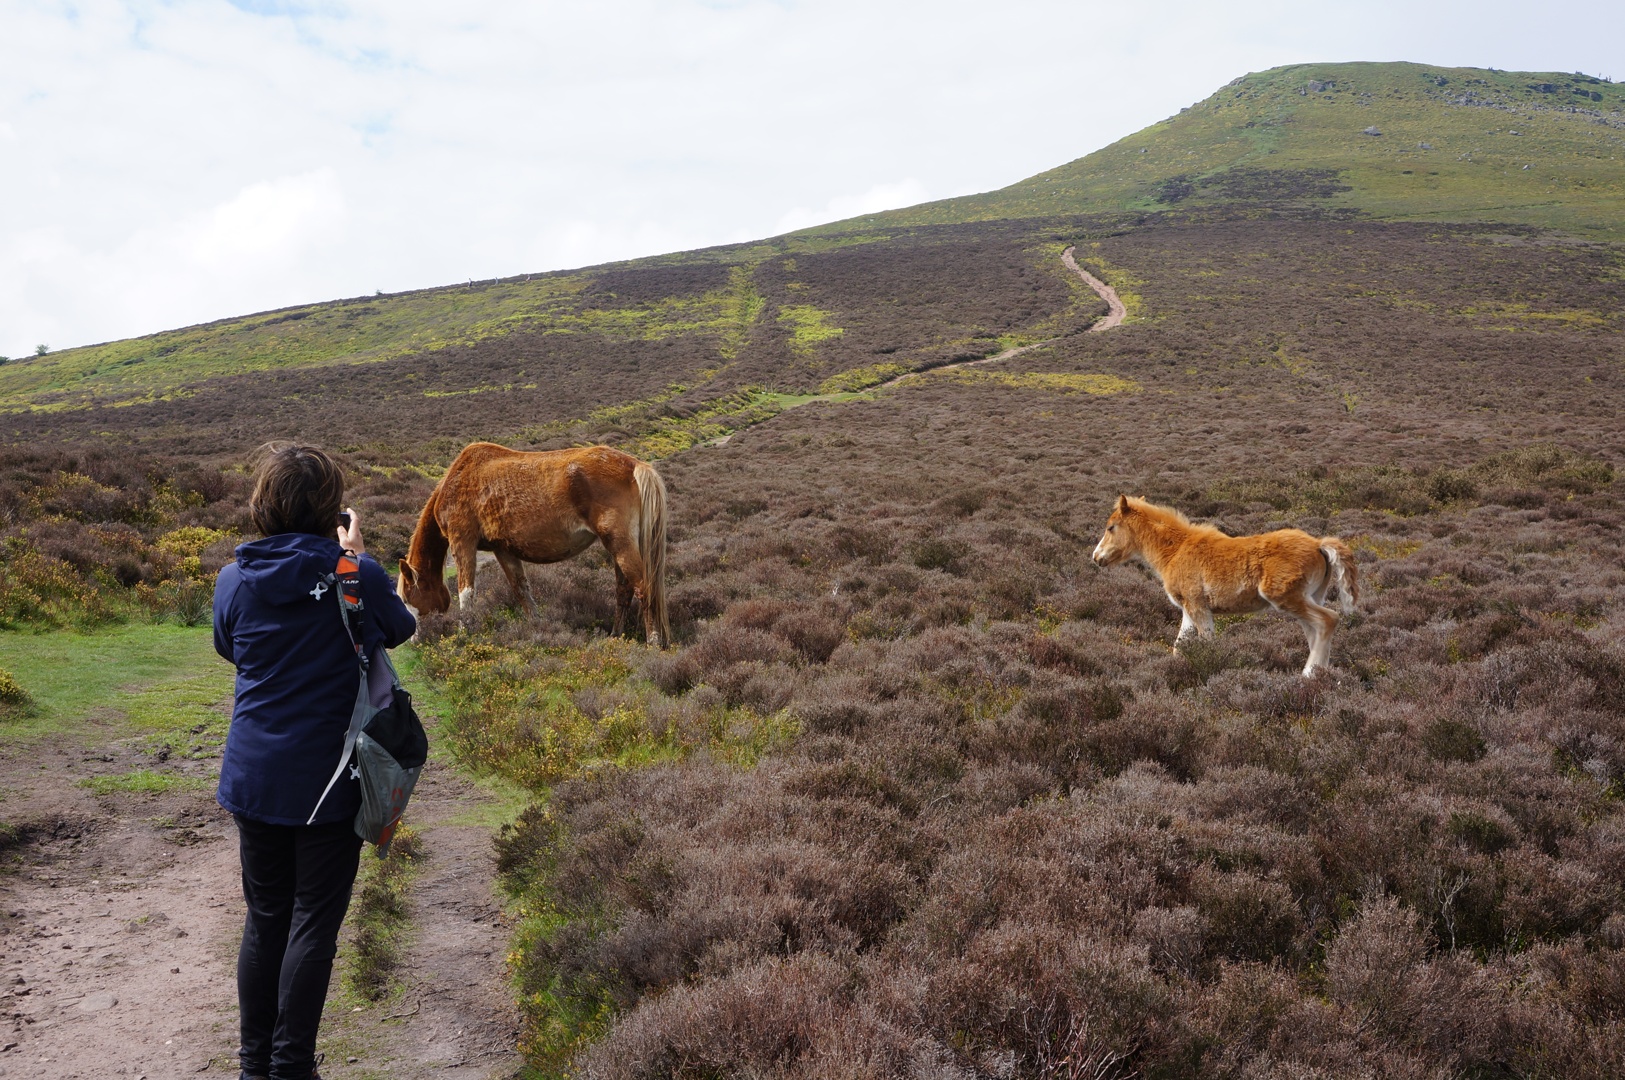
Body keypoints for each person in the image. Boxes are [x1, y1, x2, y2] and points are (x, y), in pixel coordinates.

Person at [213, 443, 416, 1080]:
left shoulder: (233, 579)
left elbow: (230, 647)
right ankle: (291, 1067)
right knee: (313, 926)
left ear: (264, 505)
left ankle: (255, 1069)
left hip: (253, 778)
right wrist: (353, 559)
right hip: (331, 786)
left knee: (266, 917)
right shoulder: (359, 574)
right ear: (331, 509)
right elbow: (401, 628)